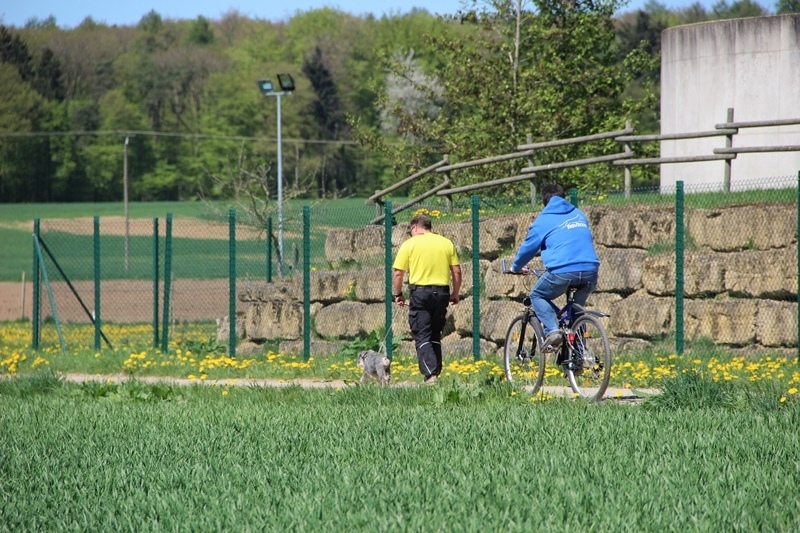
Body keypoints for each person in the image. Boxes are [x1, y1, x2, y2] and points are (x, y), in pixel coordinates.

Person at [509, 184, 600, 351]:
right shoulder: (579, 214)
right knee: (576, 313)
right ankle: (578, 356)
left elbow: (528, 248)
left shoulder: (543, 220)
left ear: (545, 201)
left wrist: (516, 266)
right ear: (563, 196)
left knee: (537, 295)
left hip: (563, 271)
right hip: (590, 271)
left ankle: (552, 330)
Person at [392, 214, 462, 385]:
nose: (411, 234)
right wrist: (455, 293)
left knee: (421, 333)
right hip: (442, 293)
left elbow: (398, 273)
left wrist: (398, 294)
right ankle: (435, 371)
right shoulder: (446, 242)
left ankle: (430, 375)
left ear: (415, 227)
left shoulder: (410, 244)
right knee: (434, 332)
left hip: (420, 294)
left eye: (411, 231)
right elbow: (457, 271)